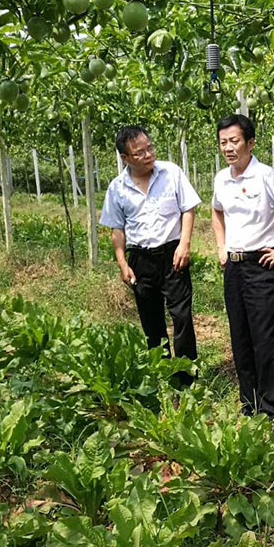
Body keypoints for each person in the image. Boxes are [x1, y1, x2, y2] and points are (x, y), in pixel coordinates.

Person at [211, 114, 274, 434]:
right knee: (240, 337)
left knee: (265, 340)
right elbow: (216, 211)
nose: (228, 147)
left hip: (263, 265)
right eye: (223, 141)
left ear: (250, 143)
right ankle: (250, 404)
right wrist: (220, 246)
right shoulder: (221, 179)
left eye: (234, 141)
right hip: (234, 266)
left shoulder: (265, 175)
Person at [100, 125, 201, 385]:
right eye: (139, 152)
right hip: (140, 259)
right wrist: (123, 263)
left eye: (150, 148)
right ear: (125, 158)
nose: (148, 155)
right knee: (151, 320)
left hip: (172, 254)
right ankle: (163, 373)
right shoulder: (117, 188)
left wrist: (185, 243)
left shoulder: (171, 173)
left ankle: (188, 375)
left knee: (181, 316)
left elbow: (188, 209)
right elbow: (117, 230)